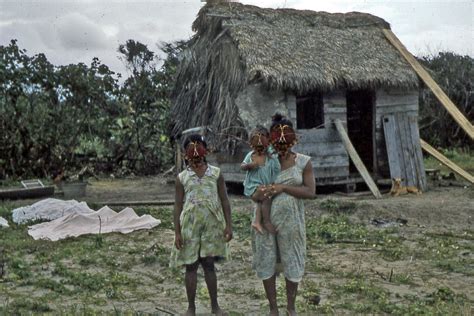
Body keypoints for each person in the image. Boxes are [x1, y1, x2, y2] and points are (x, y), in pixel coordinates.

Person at [251, 113, 316, 316]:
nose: (282, 145)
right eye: (277, 141)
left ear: (294, 139)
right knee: (267, 259)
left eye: (286, 140)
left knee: (292, 260)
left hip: (292, 221)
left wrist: (283, 188)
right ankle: (273, 309)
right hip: (265, 221)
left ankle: (291, 307)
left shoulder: (303, 162)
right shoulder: (263, 162)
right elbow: (252, 193)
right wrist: (263, 191)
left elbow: (310, 191)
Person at [170, 134, 233, 316]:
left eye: (199, 147)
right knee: (190, 266)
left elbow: (224, 200)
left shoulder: (215, 173)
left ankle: (215, 306)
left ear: (206, 150)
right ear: (185, 154)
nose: (196, 152)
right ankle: (191, 307)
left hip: (212, 225)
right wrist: (177, 232)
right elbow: (177, 205)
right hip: (189, 226)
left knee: (209, 264)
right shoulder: (182, 177)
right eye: (191, 149)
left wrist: (229, 225)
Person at [241, 125, 280, 234]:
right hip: (252, 187)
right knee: (266, 197)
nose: (259, 149)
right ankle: (266, 221)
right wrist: (250, 165)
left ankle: (256, 221)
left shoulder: (269, 157)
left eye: (262, 146)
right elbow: (242, 166)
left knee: (262, 199)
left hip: (263, 186)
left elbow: (277, 167)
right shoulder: (251, 155)